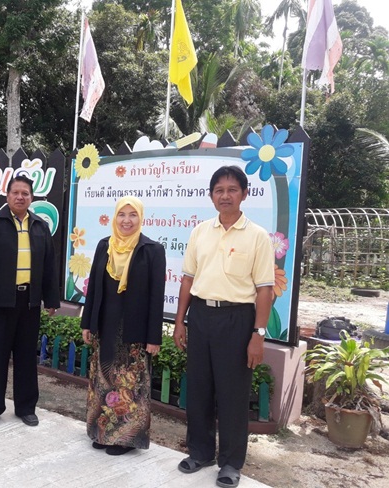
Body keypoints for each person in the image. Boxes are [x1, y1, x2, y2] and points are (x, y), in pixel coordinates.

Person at [173, 165, 274, 488]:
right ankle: (200, 452)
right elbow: (187, 280)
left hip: (237, 319)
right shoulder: (200, 232)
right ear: (211, 196)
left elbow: (265, 290)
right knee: (199, 388)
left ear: (245, 194)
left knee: (232, 394)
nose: (225, 195)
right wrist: (179, 321)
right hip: (201, 316)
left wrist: (258, 335)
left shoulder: (257, 236)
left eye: (232, 190)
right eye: (219, 190)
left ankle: (230, 463)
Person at [0, 175, 60, 429]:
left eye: (25, 193)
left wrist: (51, 298)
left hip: (29, 302)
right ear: (7, 195)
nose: (20, 197)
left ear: (32, 197)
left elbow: (49, 265)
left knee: (26, 357)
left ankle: (26, 408)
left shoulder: (40, 226)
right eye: (16, 192)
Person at [81, 196, 166, 456]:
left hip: (134, 331)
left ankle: (125, 439)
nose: (126, 220)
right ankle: (102, 434)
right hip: (105, 326)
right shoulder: (104, 246)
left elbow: (156, 297)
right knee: (103, 380)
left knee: (129, 386)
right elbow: (93, 288)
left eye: (132, 215)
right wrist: (87, 323)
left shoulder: (152, 250)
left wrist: (154, 337)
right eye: (122, 214)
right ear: (115, 217)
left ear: (140, 218)